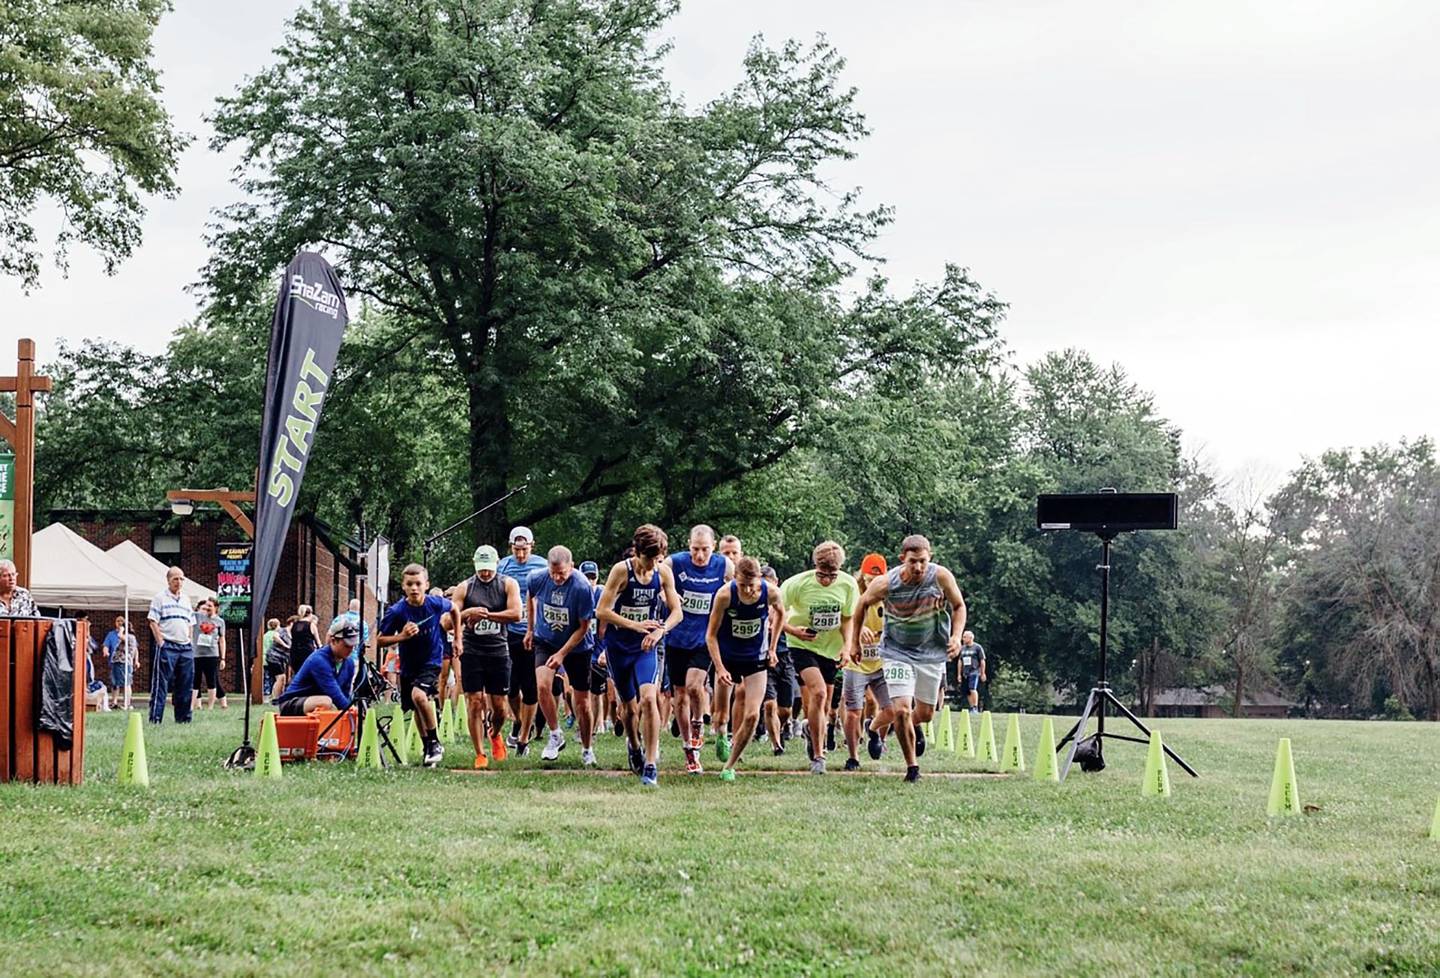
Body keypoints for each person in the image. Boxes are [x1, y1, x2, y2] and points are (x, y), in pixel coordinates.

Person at [854, 534, 967, 783]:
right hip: (897, 652)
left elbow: (959, 606)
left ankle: (873, 726)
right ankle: (912, 768)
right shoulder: (886, 583)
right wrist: (854, 643)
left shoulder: (941, 577)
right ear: (902, 558)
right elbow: (861, 605)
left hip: (931, 652)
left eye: (923, 561)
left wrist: (957, 636)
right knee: (902, 709)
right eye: (913, 561)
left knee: (925, 714)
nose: (918, 567)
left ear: (930, 558)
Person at [596, 524, 684, 786]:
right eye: (648, 559)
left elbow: (677, 611)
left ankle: (651, 763)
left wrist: (660, 632)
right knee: (628, 708)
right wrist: (635, 625)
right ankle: (634, 744)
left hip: (647, 647)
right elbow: (602, 611)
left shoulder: (664, 572)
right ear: (637, 552)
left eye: (657, 559)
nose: (652, 565)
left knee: (649, 698)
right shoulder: (621, 571)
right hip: (619, 647)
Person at [781, 541, 860, 774]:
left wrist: (847, 647)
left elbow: (847, 619)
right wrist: (794, 631)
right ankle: (819, 756)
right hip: (801, 645)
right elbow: (774, 614)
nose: (826, 580)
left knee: (823, 706)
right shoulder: (796, 584)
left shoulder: (848, 585)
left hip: (831, 649)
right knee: (818, 693)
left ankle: (810, 731)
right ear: (814, 565)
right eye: (822, 574)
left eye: (832, 575)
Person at [707, 556, 786, 782]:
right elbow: (710, 636)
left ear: (759, 579)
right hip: (728, 658)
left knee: (752, 715)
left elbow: (781, 614)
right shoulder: (724, 595)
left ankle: (730, 766)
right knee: (721, 715)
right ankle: (722, 734)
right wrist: (720, 668)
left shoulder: (770, 593)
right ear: (735, 579)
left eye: (752, 585)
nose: (748, 590)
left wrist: (772, 648)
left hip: (755, 659)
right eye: (742, 585)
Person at [666, 525, 734, 774]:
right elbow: (658, 575)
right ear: (688, 545)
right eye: (695, 549)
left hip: (704, 639)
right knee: (680, 695)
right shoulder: (676, 562)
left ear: (713, 547)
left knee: (695, 686)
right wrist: (669, 595)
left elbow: (736, 588)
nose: (700, 555)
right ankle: (689, 751)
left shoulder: (723, 565)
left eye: (705, 549)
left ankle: (698, 724)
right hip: (676, 638)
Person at [526, 546, 598, 764]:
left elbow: (584, 627)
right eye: (553, 573)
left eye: (562, 574)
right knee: (542, 686)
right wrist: (530, 629)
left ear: (572, 567)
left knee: (582, 703)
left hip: (577, 646)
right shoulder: (537, 578)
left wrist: (562, 654)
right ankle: (555, 734)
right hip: (546, 640)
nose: (557, 578)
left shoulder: (582, 587)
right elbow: (530, 597)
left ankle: (587, 748)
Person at [452, 545, 521, 769]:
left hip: (498, 650)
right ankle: (480, 753)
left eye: (489, 569)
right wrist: (466, 614)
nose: (485, 573)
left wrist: (487, 614)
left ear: (497, 565)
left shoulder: (507, 584)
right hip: (472, 651)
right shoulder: (464, 588)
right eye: (481, 569)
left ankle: (495, 733)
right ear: (475, 566)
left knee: (500, 708)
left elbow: (516, 614)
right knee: (475, 702)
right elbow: (447, 620)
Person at [378, 564, 453, 767]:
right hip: (409, 665)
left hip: (432, 660)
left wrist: (459, 639)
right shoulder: (396, 611)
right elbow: (379, 640)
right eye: (409, 584)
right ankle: (427, 748)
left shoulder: (436, 604)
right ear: (403, 586)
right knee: (415, 707)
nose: (414, 588)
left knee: (419, 696)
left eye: (418, 584)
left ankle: (435, 742)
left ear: (426, 585)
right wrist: (402, 636)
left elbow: (455, 610)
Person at [497, 526, 548, 755]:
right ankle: (518, 720)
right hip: (509, 633)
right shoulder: (503, 566)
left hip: (535, 634)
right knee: (509, 688)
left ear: (532, 546)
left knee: (530, 687)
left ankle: (524, 739)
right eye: (516, 550)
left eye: (524, 549)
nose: (520, 554)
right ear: (511, 547)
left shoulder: (543, 566)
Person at [843, 554, 894, 770]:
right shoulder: (854, 595)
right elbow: (843, 618)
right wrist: (858, 627)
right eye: (869, 577)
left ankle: (873, 730)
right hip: (857, 663)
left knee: (891, 709)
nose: (873, 581)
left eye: (878, 577)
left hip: (881, 663)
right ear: (862, 575)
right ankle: (853, 756)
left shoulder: (891, 598)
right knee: (853, 710)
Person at [276, 619, 359, 715]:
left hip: (315, 700)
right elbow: (334, 693)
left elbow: (345, 693)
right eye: (346, 645)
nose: (351, 649)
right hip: (291, 703)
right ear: (333, 641)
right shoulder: (318, 660)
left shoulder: (349, 663)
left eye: (353, 645)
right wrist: (351, 709)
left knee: (330, 704)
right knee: (326, 702)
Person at [146, 566, 197, 725]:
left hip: (185, 647)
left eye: (181, 579)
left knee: (186, 684)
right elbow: (153, 621)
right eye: (175, 578)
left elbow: (191, 622)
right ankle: (155, 719)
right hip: (167, 645)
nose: (179, 582)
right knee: (161, 684)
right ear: (168, 580)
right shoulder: (159, 597)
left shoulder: (186, 599)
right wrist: (160, 641)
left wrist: (189, 638)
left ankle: (183, 719)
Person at [759, 564, 793, 755]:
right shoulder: (754, 603)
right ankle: (776, 745)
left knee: (785, 709)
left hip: (785, 655)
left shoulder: (784, 602)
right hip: (763, 658)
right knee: (769, 704)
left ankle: (782, 726)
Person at [191, 598, 228, 711]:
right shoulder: (198, 616)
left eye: (210, 606)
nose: (207, 607)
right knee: (195, 680)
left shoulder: (220, 621)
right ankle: (192, 706)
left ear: (216, 608)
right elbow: (189, 613)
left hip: (212, 654)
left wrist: (223, 658)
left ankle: (210, 707)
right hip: (197, 654)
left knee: (211, 681)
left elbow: (222, 640)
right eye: (206, 605)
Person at [103, 616, 138, 710]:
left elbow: (121, 637)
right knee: (115, 683)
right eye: (117, 621)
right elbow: (106, 645)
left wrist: (121, 630)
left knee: (126, 683)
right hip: (117, 662)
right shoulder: (113, 634)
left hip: (123, 662)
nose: (119, 624)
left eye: (122, 623)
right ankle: (114, 702)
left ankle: (127, 704)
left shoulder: (129, 637)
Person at [959, 630, 986, 713]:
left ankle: (975, 706)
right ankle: (971, 707)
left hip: (974, 671)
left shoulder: (977, 647)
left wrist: (982, 673)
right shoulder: (962, 648)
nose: (963, 639)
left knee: (972, 688)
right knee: (967, 691)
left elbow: (982, 660)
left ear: (970, 638)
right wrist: (959, 674)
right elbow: (960, 661)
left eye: (964, 637)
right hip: (965, 672)